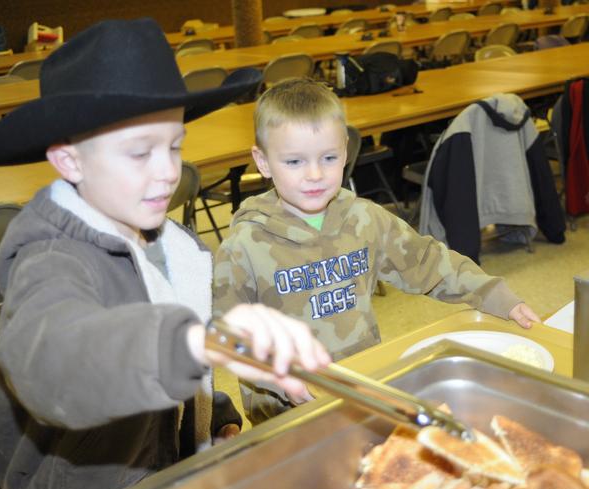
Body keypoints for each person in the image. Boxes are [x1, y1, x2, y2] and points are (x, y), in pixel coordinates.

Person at [0, 20, 330, 489]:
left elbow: (168, 378)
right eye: (141, 152)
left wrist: (216, 416)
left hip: (168, 478)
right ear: (69, 161)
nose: (168, 171)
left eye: (175, 146)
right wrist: (191, 343)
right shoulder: (50, 259)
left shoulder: (164, 242)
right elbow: (53, 362)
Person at [212, 78, 540, 424]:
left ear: (346, 153)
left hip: (364, 389)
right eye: (294, 162)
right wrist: (278, 378)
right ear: (262, 162)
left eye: (328, 157)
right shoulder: (243, 248)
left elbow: (428, 261)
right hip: (287, 414)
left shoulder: (365, 219)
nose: (314, 174)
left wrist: (494, 294)